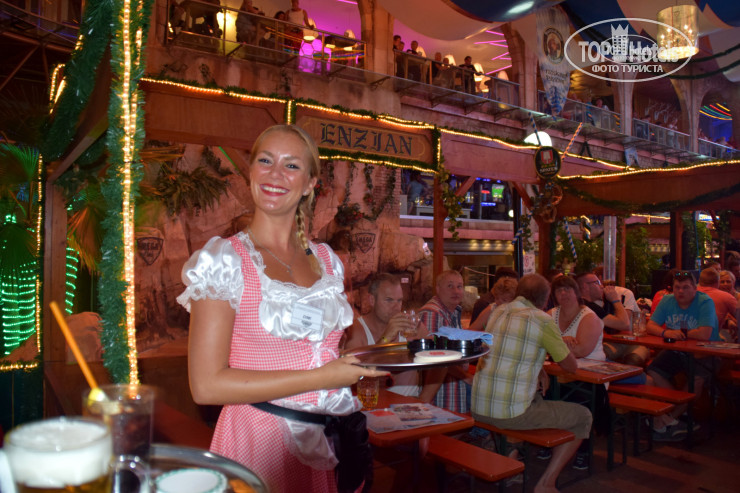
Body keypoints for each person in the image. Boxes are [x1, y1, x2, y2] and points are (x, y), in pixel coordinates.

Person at [178, 124, 387, 492]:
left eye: (291, 165)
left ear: (309, 184)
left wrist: (373, 358)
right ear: (251, 172)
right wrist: (323, 378)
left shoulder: (327, 262)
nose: (275, 174)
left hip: (328, 442)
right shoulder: (224, 261)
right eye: (265, 161)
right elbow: (206, 386)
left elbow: (321, 353)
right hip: (259, 443)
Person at [472, 274, 592, 493]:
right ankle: (546, 484)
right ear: (545, 300)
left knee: (530, 398)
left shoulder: (497, 311)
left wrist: (540, 369)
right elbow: (570, 366)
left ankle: (509, 460)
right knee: (583, 416)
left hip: (478, 407)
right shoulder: (542, 320)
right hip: (510, 413)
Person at [646, 271, 719, 441]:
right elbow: (650, 326)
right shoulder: (667, 300)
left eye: (685, 287)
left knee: (696, 381)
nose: (680, 291)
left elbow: (705, 334)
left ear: (695, 288)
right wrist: (667, 332)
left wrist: (677, 333)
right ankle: (671, 417)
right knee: (652, 371)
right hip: (677, 351)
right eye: (677, 287)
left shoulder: (704, 301)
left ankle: (667, 419)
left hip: (705, 353)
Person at [547, 275, 605, 470]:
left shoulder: (589, 317)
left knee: (577, 399)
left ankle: (583, 450)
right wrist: (565, 342)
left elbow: (582, 350)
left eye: (568, 289)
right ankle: (550, 442)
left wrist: (555, 344)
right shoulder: (551, 314)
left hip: (591, 375)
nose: (563, 293)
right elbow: (539, 342)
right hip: (560, 372)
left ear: (577, 292)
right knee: (541, 393)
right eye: (559, 290)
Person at [343, 273, 422, 396]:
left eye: (399, 300)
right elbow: (354, 378)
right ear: (371, 300)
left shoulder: (411, 326)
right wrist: (386, 338)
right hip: (375, 404)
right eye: (389, 300)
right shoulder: (356, 330)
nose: (396, 307)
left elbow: (440, 359)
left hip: (412, 403)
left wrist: (424, 398)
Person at [417, 270, 470, 412]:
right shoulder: (433, 314)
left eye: (459, 286)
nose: (456, 291)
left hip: (452, 389)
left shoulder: (452, 312)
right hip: (441, 395)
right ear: (438, 289)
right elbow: (435, 358)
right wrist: (466, 377)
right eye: (450, 286)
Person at [576, 271, 649, 367]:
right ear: (585, 286)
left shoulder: (579, 303)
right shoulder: (589, 306)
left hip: (584, 357)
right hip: (590, 361)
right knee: (642, 373)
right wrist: (615, 300)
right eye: (597, 283)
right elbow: (624, 324)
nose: (602, 286)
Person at [697, 268, 737, 342]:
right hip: (709, 341)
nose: (725, 284)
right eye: (722, 282)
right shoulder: (726, 297)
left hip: (683, 337)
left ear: (699, 281)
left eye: (728, 281)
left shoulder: (689, 293)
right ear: (718, 282)